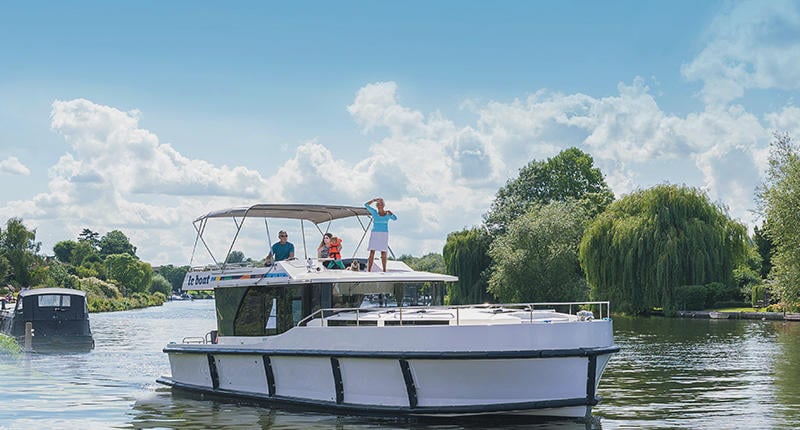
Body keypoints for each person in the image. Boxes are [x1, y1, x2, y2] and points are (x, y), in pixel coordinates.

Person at [364, 197, 397, 272]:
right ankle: (369, 270)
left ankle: (384, 270)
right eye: (378, 204)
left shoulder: (387, 214)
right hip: (375, 234)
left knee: (383, 252)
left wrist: (391, 213)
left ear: (384, 205)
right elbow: (366, 205)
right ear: (377, 206)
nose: (380, 205)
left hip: (384, 234)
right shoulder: (374, 212)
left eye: (381, 204)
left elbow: (395, 218)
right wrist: (373, 200)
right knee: (372, 251)